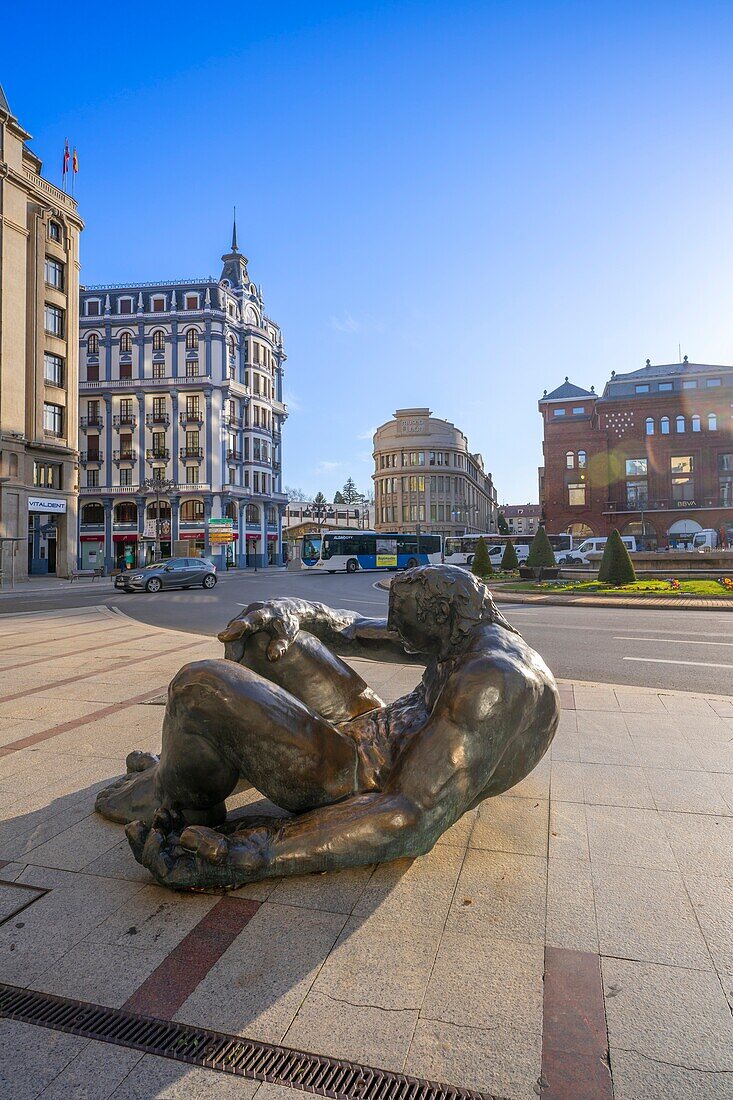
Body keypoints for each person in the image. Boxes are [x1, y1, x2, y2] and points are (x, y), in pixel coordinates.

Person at [96, 565, 559, 890]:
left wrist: (257, 850)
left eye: (404, 625)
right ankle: (205, 757)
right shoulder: (469, 632)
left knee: (200, 686)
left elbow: (411, 817)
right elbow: (354, 628)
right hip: (371, 727)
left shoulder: (491, 682)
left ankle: (178, 790)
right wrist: (291, 609)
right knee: (267, 634)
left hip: (354, 775)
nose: (394, 632)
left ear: (440, 619)